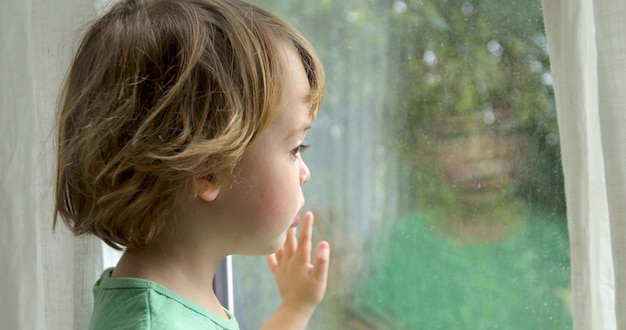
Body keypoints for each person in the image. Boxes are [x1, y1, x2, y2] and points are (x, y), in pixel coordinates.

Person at [53, 0, 330, 329]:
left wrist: (295, 307)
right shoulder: (154, 324)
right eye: (295, 148)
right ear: (209, 170)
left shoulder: (169, 298)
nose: (305, 172)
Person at [348, 111, 572, 329]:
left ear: (528, 144)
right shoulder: (400, 245)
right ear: (424, 150)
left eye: (501, 130)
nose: (477, 153)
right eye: (453, 135)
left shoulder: (559, 244)